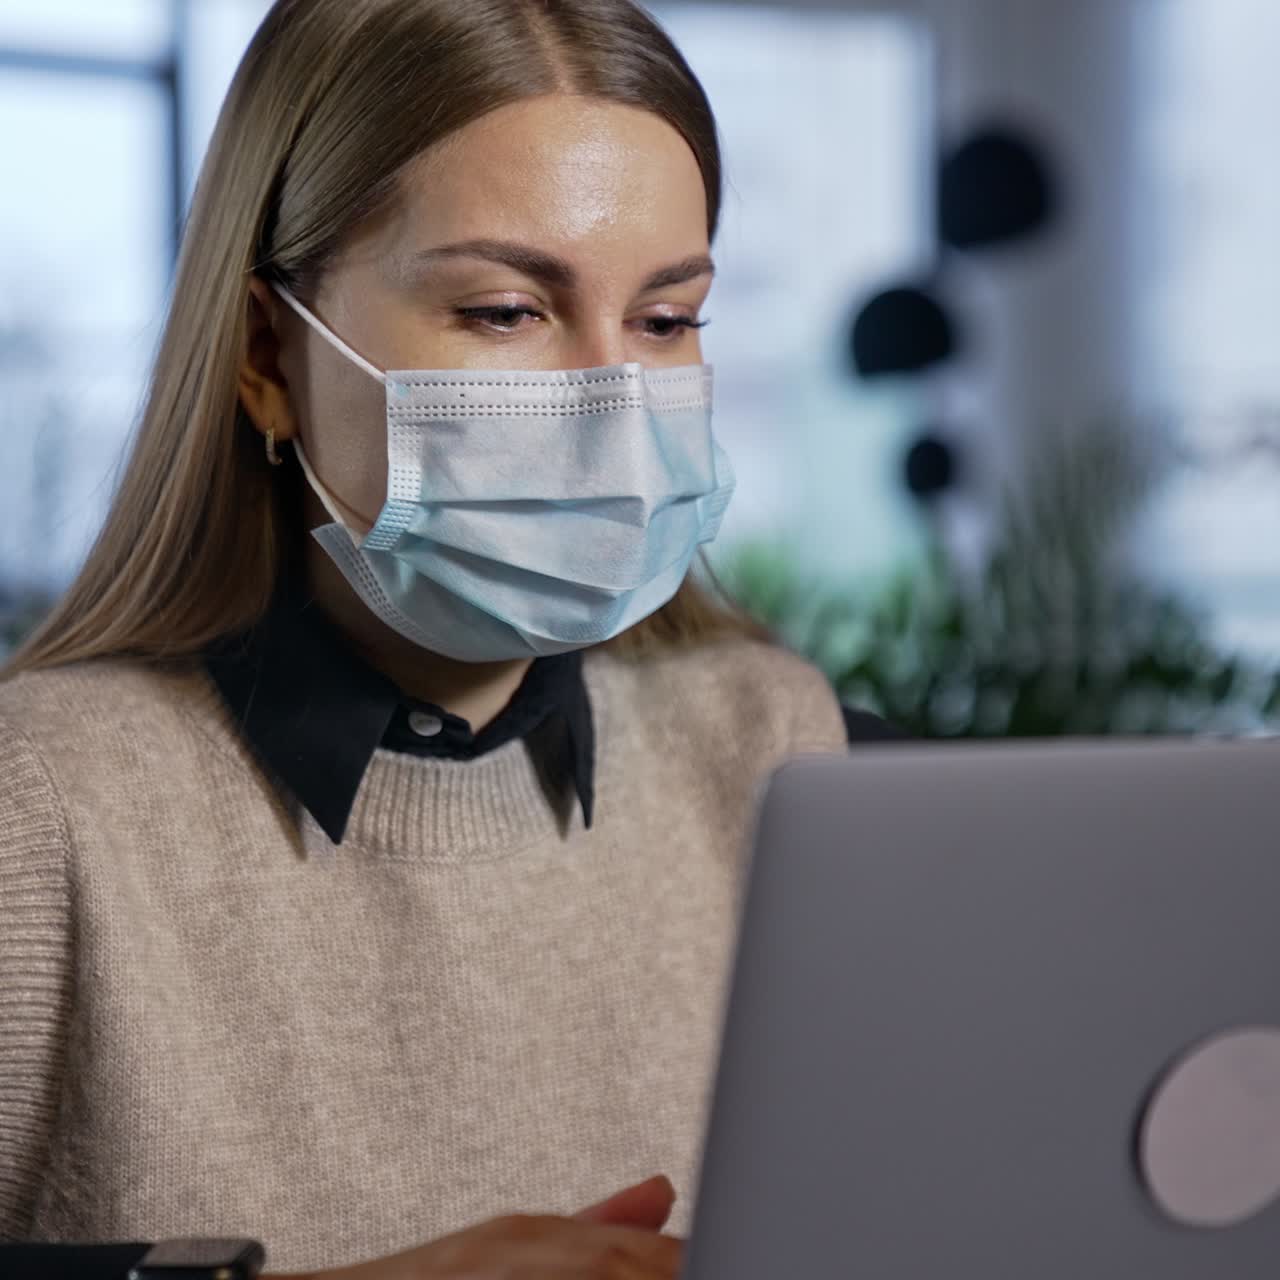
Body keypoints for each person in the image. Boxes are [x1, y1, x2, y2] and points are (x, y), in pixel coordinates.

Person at [0, 1, 878, 1276]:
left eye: (664, 319)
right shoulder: (40, 806)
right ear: (264, 353)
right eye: (507, 311)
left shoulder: (766, 742)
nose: (610, 407)